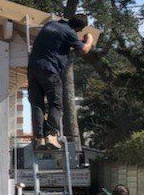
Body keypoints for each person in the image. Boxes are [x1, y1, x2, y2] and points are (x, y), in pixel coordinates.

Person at [27, 12, 94, 150]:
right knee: (55, 104)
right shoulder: (70, 33)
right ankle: (51, 136)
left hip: (33, 69)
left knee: (37, 104)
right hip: (50, 71)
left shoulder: (51, 24)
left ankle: (39, 138)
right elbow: (85, 49)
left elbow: (59, 41)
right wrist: (89, 38)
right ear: (79, 29)